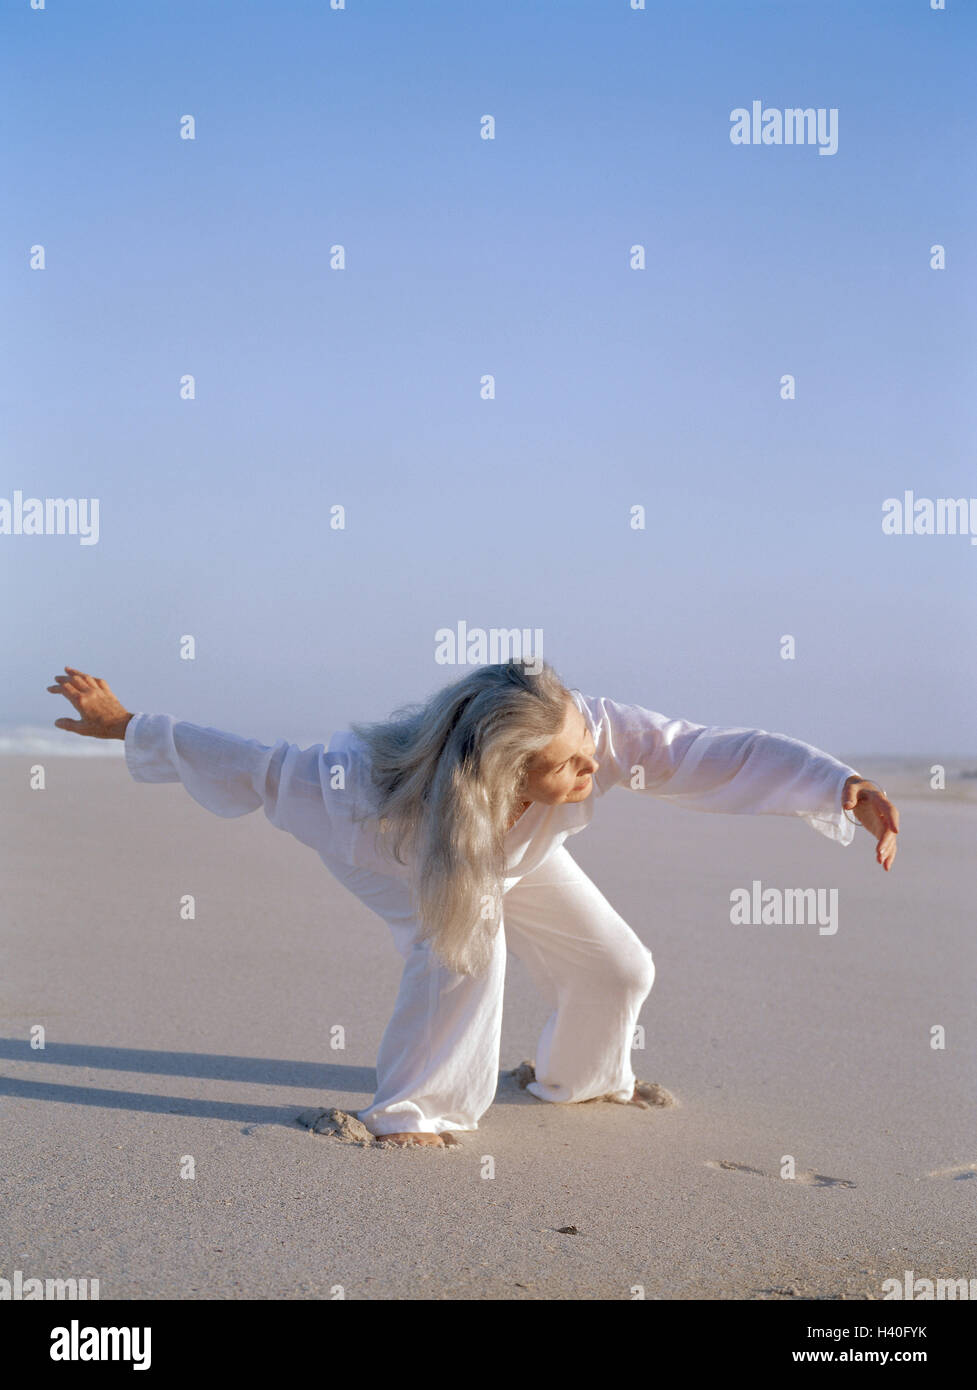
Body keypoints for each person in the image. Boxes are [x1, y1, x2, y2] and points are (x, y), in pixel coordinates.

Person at [47, 660, 899, 1149]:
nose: (589, 772)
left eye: (584, 753)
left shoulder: (582, 728)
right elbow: (255, 764)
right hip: (397, 860)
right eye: (566, 767)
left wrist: (840, 786)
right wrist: (129, 724)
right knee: (466, 944)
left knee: (618, 964)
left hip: (510, 855)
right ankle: (412, 1109)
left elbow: (702, 751)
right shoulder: (352, 789)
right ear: (503, 771)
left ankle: (582, 1077)